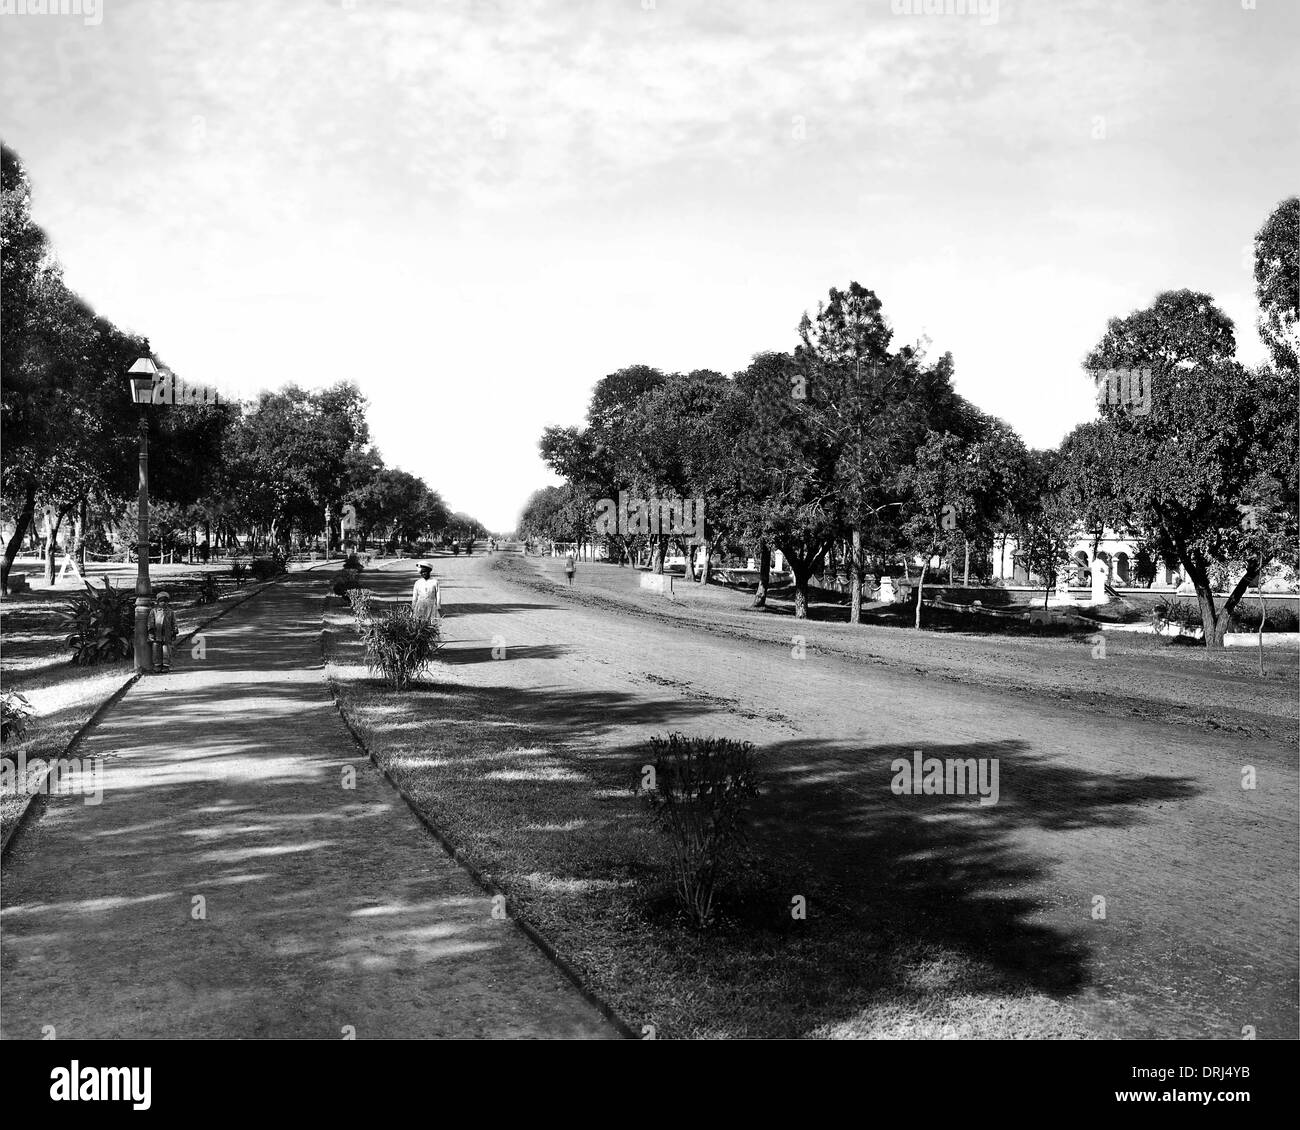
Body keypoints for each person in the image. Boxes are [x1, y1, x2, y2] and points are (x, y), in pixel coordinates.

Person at [149, 591, 177, 674]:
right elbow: (151, 622)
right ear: (157, 602)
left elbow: (173, 622)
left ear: (168, 602)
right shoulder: (154, 611)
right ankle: (157, 665)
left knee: (166, 650)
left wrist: (174, 631)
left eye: (165, 601)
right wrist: (151, 631)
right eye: (161, 601)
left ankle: (166, 665)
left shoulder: (170, 612)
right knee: (156, 650)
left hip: (167, 634)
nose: (163, 603)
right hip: (156, 634)